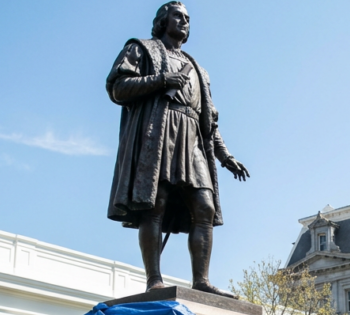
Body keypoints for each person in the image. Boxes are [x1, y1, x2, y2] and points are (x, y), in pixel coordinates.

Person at [106, 2, 250, 298]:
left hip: (192, 137)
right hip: (158, 134)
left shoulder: (199, 69)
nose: (184, 21)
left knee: (205, 208)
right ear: (162, 21)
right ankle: (154, 280)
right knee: (154, 204)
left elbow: (208, 120)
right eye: (178, 16)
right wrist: (161, 80)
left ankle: (201, 280)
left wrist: (225, 156)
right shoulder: (141, 49)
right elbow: (117, 87)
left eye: (188, 18)